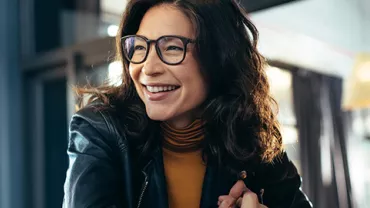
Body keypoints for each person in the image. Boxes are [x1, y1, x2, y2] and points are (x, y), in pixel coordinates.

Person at [63, 0, 312, 207]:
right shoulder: (101, 131)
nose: (147, 68)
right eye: (140, 47)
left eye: (171, 48)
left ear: (219, 57)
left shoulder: (252, 141)